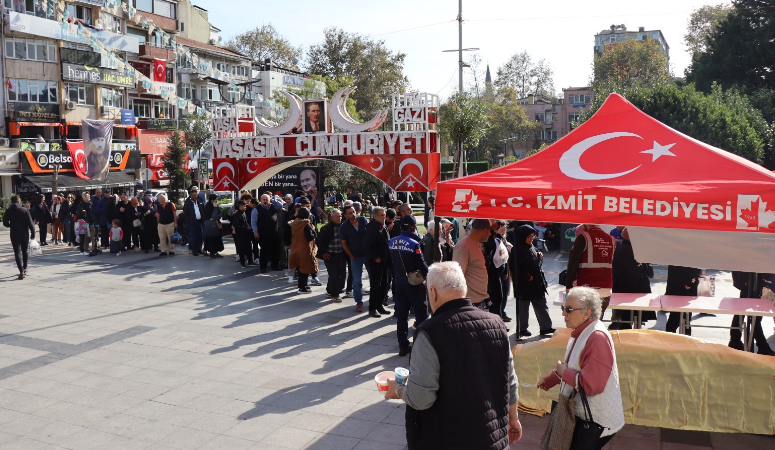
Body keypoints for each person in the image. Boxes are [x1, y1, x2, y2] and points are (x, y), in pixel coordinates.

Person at [384, 262, 522, 449]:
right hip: (493, 438)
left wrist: (398, 389)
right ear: (464, 290)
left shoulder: (430, 332)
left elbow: (421, 398)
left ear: (432, 292)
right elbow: (510, 381)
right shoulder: (497, 323)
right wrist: (513, 418)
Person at [538, 287, 625, 449]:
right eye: (564, 308)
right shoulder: (584, 331)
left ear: (587, 313)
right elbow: (576, 365)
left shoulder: (596, 337)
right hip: (588, 415)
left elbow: (592, 385)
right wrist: (554, 378)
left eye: (569, 309)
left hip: (595, 420)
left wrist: (564, 373)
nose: (564, 313)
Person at [386, 215, 429, 356]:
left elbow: (389, 262)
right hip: (415, 285)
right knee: (421, 314)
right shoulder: (414, 244)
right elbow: (421, 265)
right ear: (413, 227)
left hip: (399, 283)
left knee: (402, 315)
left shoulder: (391, 241)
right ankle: (421, 345)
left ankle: (403, 345)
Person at [565, 224, 616, 317]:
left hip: (587, 288)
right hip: (606, 288)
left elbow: (573, 263)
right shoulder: (611, 239)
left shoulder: (583, 237)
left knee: (584, 322)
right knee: (597, 321)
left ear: (586, 223)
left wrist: (568, 285)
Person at [513, 225, 554, 336]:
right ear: (523, 237)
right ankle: (522, 328)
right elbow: (514, 268)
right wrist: (526, 275)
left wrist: (539, 254)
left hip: (536, 282)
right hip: (524, 284)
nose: (531, 239)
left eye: (532, 237)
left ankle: (546, 327)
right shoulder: (516, 249)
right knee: (523, 308)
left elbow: (534, 253)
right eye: (529, 237)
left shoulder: (531, 246)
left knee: (541, 304)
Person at [610, 227, 653, 330]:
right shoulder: (626, 249)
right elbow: (634, 270)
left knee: (628, 316)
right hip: (629, 288)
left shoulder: (624, 246)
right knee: (628, 317)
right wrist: (645, 268)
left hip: (627, 287)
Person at [729, 272, 775, 355]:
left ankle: (735, 341)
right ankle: (762, 346)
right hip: (751, 278)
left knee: (744, 311)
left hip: (749, 278)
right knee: (753, 315)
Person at [452, 218, 492, 310]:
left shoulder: (473, 244)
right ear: (485, 230)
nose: (490, 234)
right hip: (470, 302)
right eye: (489, 231)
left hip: (478, 300)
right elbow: (458, 275)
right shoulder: (464, 245)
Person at [363, 206, 391, 318]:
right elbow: (365, 247)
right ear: (375, 216)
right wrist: (375, 258)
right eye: (382, 215)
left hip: (385, 261)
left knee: (384, 284)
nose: (384, 217)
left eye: (384, 215)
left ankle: (380, 305)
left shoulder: (382, 226)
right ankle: (372, 308)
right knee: (376, 285)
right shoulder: (371, 229)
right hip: (376, 262)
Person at [340, 204, 369, 313]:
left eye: (354, 212)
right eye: (350, 213)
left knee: (373, 277)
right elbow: (344, 243)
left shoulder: (363, 220)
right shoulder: (344, 227)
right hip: (355, 257)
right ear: (346, 215)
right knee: (356, 281)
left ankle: (375, 301)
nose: (353, 214)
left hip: (367, 255)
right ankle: (359, 303)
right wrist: (351, 256)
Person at [317, 209, 346, 303]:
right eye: (338, 216)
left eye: (341, 216)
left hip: (340, 254)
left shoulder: (343, 226)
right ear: (332, 217)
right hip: (329, 255)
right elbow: (319, 241)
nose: (340, 218)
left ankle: (329, 291)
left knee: (337, 274)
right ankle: (335, 295)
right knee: (333, 274)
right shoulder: (326, 228)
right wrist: (324, 252)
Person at [3, 195, 35, 279]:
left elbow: (5, 223)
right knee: (25, 251)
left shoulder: (8, 211)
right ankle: (25, 268)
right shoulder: (24, 210)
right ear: (19, 201)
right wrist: (33, 233)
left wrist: (11, 225)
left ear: (11, 202)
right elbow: (31, 223)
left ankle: (21, 271)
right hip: (24, 234)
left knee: (17, 253)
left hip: (14, 234)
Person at [664, 265, 702, 335]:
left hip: (681, 284)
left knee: (677, 318)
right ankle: (682, 341)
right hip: (685, 284)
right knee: (681, 318)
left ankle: (671, 340)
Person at [484, 220, 511, 319]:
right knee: (496, 298)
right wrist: (499, 235)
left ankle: (499, 318)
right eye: (502, 228)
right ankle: (496, 320)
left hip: (501, 271)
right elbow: (490, 249)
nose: (504, 231)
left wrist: (505, 271)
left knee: (501, 297)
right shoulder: (490, 238)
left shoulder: (502, 239)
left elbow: (504, 257)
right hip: (493, 273)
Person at [288, 207, 318, 293]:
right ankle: (302, 287)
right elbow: (310, 237)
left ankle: (303, 285)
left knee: (299, 268)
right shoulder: (306, 225)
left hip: (295, 248)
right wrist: (313, 230)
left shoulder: (293, 224)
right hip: (304, 248)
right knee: (305, 269)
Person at [251, 193, 283, 273]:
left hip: (274, 233)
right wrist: (255, 232)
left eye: (267, 200)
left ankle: (275, 266)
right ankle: (263, 267)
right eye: (264, 200)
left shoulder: (273, 206)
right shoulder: (256, 209)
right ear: (261, 200)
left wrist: (273, 200)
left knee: (275, 250)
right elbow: (253, 222)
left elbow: (280, 206)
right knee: (264, 251)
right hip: (263, 233)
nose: (265, 201)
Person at [183, 186, 206, 256]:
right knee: (193, 237)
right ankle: (194, 250)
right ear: (191, 196)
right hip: (192, 223)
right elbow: (185, 213)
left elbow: (203, 210)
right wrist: (190, 220)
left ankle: (199, 249)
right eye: (194, 195)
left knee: (200, 236)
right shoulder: (188, 203)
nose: (196, 197)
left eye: (196, 195)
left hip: (200, 222)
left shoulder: (200, 201)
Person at [232, 200, 254, 268]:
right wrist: (245, 227)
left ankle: (250, 261)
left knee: (249, 248)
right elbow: (237, 226)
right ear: (240, 206)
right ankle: (242, 263)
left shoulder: (244, 213)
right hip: (240, 235)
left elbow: (246, 221)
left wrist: (248, 226)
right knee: (241, 249)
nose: (245, 207)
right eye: (244, 206)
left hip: (246, 234)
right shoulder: (236, 215)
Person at [203, 194, 225, 259]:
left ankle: (216, 251)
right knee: (211, 238)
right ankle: (212, 252)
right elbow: (213, 215)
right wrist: (215, 209)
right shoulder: (208, 206)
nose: (217, 200)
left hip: (216, 223)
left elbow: (220, 214)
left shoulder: (216, 206)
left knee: (217, 238)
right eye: (215, 199)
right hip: (210, 225)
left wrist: (216, 216)